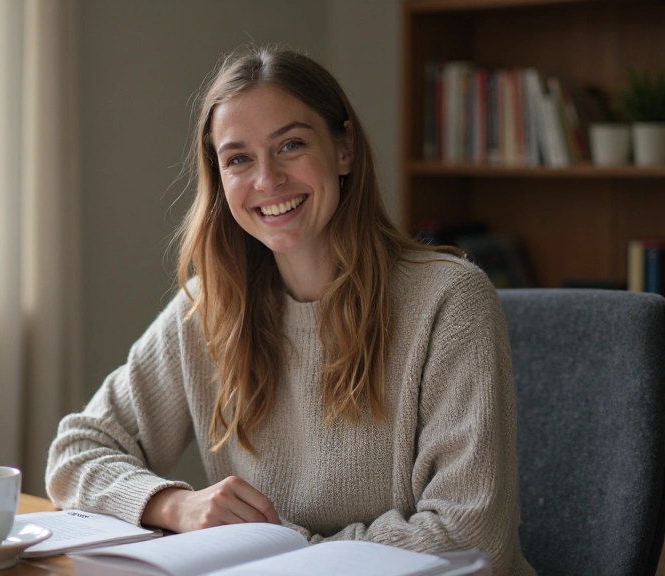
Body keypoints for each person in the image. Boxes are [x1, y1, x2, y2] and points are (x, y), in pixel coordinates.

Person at [45, 45, 535, 576]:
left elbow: (470, 536)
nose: (267, 180)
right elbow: (76, 452)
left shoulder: (450, 300)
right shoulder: (211, 305)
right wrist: (173, 504)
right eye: (238, 159)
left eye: (291, 145)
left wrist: (277, 544)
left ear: (344, 149)